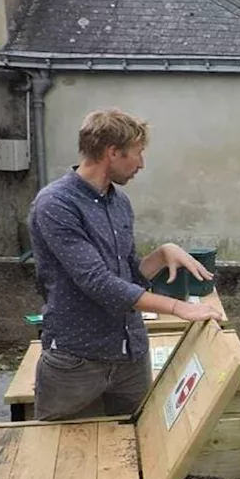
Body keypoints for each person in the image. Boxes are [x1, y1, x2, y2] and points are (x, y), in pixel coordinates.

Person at [29, 108, 223, 421]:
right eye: (138, 153)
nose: (142, 164)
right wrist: (178, 308)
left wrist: (161, 255)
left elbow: (128, 275)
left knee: (140, 452)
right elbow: (97, 282)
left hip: (131, 356)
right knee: (69, 458)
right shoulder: (56, 204)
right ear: (113, 152)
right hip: (77, 361)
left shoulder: (119, 202)